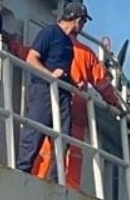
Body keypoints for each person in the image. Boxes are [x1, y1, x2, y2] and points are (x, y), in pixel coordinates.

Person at [32, 34, 123, 188]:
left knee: (46, 148)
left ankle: (37, 179)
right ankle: (70, 186)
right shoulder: (87, 54)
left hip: (50, 105)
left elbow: (28, 54)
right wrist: (116, 105)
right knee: (73, 153)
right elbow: (102, 84)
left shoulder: (49, 44)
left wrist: (12, 43)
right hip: (76, 111)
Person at [14, 1, 87, 174]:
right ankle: (22, 171)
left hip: (62, 93)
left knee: (63, 137)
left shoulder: (68, 43)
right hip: (43, 90)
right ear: (76, 19)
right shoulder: (49, 33)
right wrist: (50, 75)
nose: (83, 26)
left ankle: (56, 177)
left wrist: (74, 84)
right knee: (35, 132)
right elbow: (32, 58)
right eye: (83, 22)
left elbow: (61, 69)